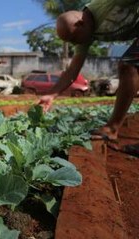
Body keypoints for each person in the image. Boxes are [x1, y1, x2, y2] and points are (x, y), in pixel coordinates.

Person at [38, 0, 139, 157]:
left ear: (80, 24)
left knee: (128, 66)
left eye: (75, 39)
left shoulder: (106, 5)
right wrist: (51, 94)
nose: (76, 44)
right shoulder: (84, 32)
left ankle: (112, 128)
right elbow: (73, 70)